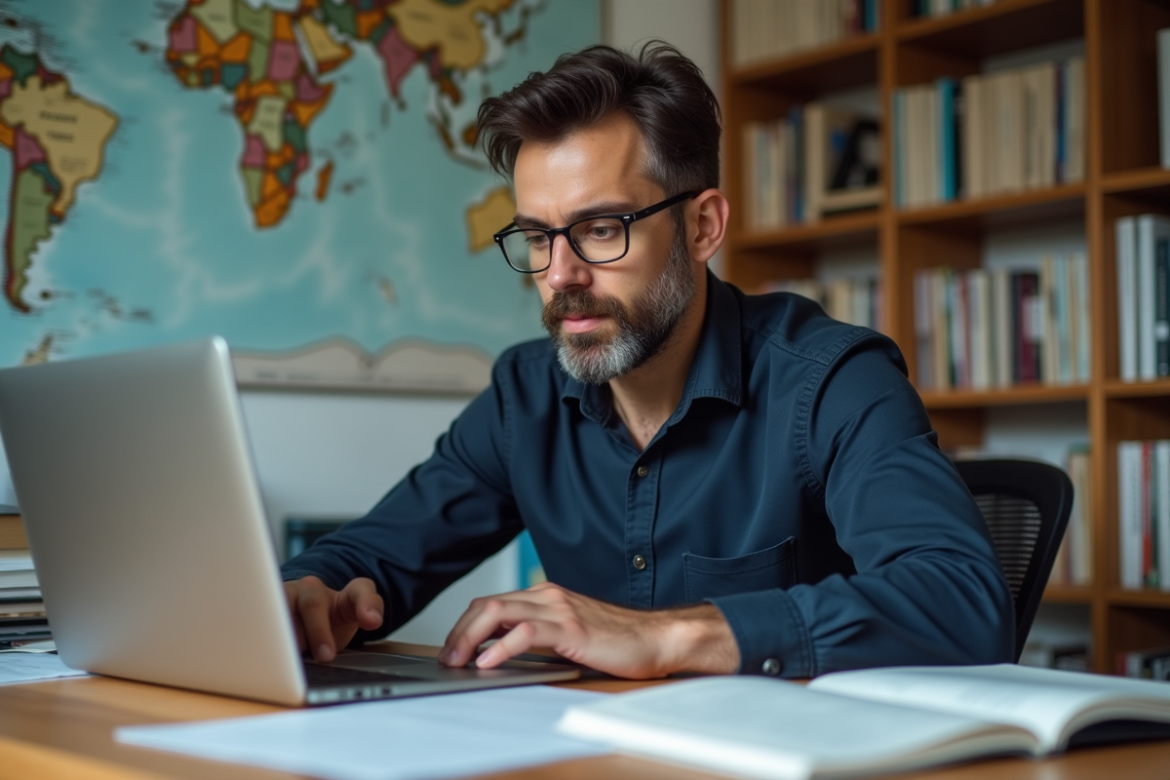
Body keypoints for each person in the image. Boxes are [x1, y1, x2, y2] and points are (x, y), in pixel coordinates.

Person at [281, 42, 1013, 679]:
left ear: (701, 227)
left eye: (600, 229)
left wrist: (664, 636)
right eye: (539, 238)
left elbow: (962, 601)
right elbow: (371, 558)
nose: (561, 275)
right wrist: (313, 588)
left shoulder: (831, 382)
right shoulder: (522, 396)